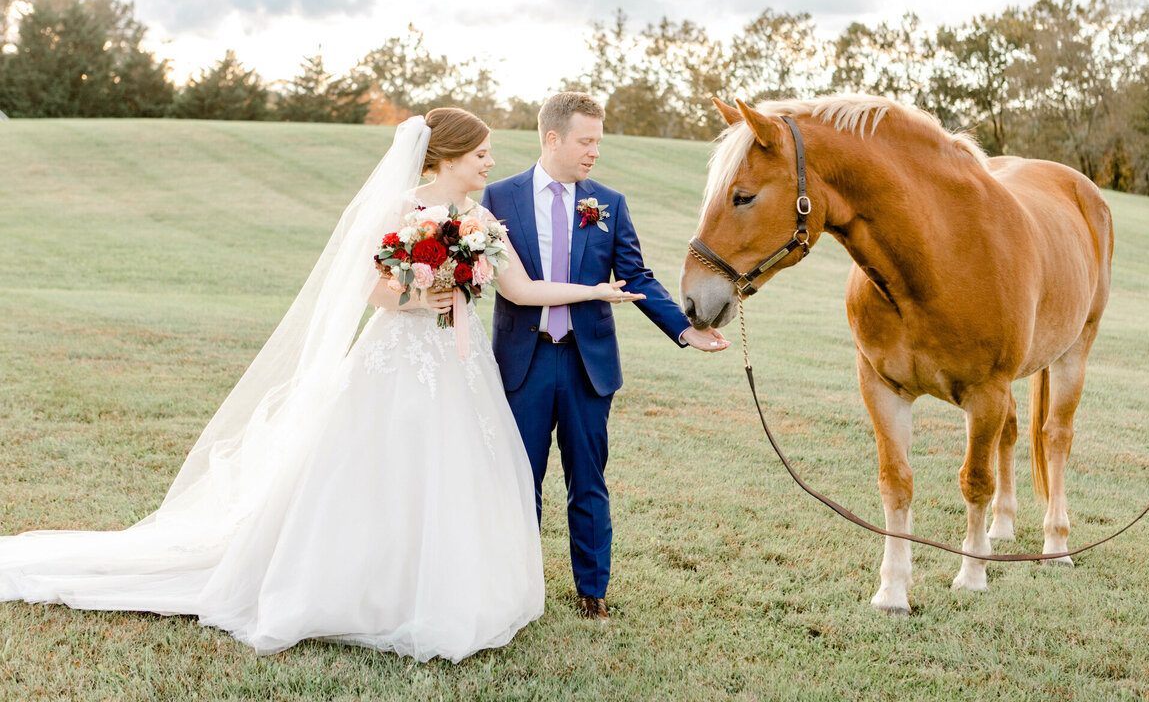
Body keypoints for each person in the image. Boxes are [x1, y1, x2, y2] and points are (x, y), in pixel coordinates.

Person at [0, 108, 643, 663]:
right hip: (399, 355)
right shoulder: (404, 211)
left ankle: (451, 587)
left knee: (458, 471)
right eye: (480, 155)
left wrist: (596, 289)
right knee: (375, 470)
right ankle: (357, 589)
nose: (489, 163)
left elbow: (523, 290)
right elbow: (375, 293)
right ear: (444, 157)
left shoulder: (481, 220)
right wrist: (425, 293)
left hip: (460, 365)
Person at [481, 92, 729, 622]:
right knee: (519, 480)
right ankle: (518, 590)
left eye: (599, 141)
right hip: (521, 362)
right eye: (585, 141)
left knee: (588, 479)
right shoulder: (497, 198)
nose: (595, 151)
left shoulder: (608, 203)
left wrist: (685, 331)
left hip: (587, 364)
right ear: (553, 139)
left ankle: (593, 591)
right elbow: (483, 275)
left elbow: (637, 275)